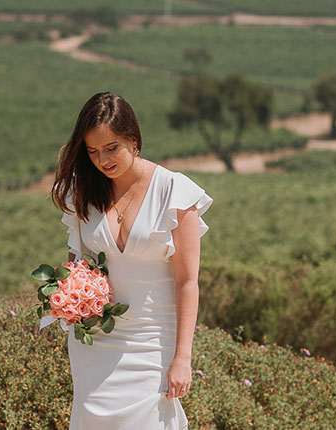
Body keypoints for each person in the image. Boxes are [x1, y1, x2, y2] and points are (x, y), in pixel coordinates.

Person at [50, 92, 212, 429]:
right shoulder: (83, 192)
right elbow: (76, 264)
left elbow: (187, 282)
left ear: (133, 140)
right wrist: (67, 295)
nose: (102, 160)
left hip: (153, 340)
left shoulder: (174, 191)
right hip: (95, 341)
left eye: (111, 148)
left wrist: (183, 357)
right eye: (92, 152)